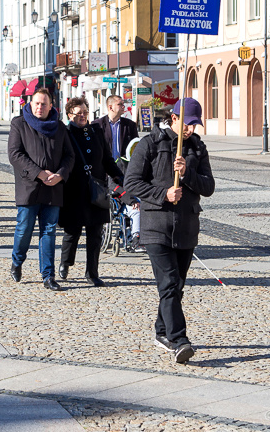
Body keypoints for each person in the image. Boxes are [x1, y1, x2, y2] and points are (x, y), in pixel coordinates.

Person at [123, 98, 215, 364]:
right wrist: (163, 193)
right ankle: (179, 340)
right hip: (157, 227)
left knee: (177, 287)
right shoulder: (150, 143)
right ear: (174, 118)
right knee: (170, 284)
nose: (190, 129)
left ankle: (162, 331)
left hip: (186, 227)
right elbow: (132, 183)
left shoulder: (198, 148)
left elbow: (208, 187)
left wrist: (186, 175)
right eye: (187, 123)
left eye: (194, 125)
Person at [7, 88, 75, 291]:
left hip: (53, 187)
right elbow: (14, 154)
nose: (39, 107)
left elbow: (69, 156)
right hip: (29, 187)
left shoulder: (60, 127)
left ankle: (48, 275)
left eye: (44, 104)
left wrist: (60, 174)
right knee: (24, 229)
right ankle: (17, 262)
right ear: (30, 103)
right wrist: (39, 173)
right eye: (36, 103)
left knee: (49, 231)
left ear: (51, 106)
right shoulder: (19, 123)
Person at [59, 97, 123, 287]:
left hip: (96, 190)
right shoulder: (65, 133)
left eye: (85, 112)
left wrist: (119, 177)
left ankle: (92, 272)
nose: (83, 116)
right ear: (70, 114)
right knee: (72, 231)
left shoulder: (96, 131)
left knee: (95, 234)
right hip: (73, 190)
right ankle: (65, 262)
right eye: (79, 113)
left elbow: (107, 159)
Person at [93, 94, 143, 250]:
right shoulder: (97, 125)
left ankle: (132, 234)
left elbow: (135, 148)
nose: (124, 106)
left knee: (129, 193)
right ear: (110, 107)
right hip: (103, 170)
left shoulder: (129, 125)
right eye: (120, 104)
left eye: (123, 103)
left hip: (124, 170)